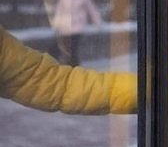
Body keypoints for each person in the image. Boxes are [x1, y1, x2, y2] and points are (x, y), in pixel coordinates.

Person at [0, 25, 136, 114]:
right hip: (68, 28)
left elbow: (58, 86)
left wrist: (143, 89)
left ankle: (73, 60)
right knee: (69, 50)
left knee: (71, 50)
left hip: (74, 28)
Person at [52, 0, 102, 65]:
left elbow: (91, 9)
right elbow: (59, 10)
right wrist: (56, 24)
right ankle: (70, 70)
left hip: (77, 28)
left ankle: (76, 70)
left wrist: (97, 22)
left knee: (72, 50)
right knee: (65, 51)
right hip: (65, 27)